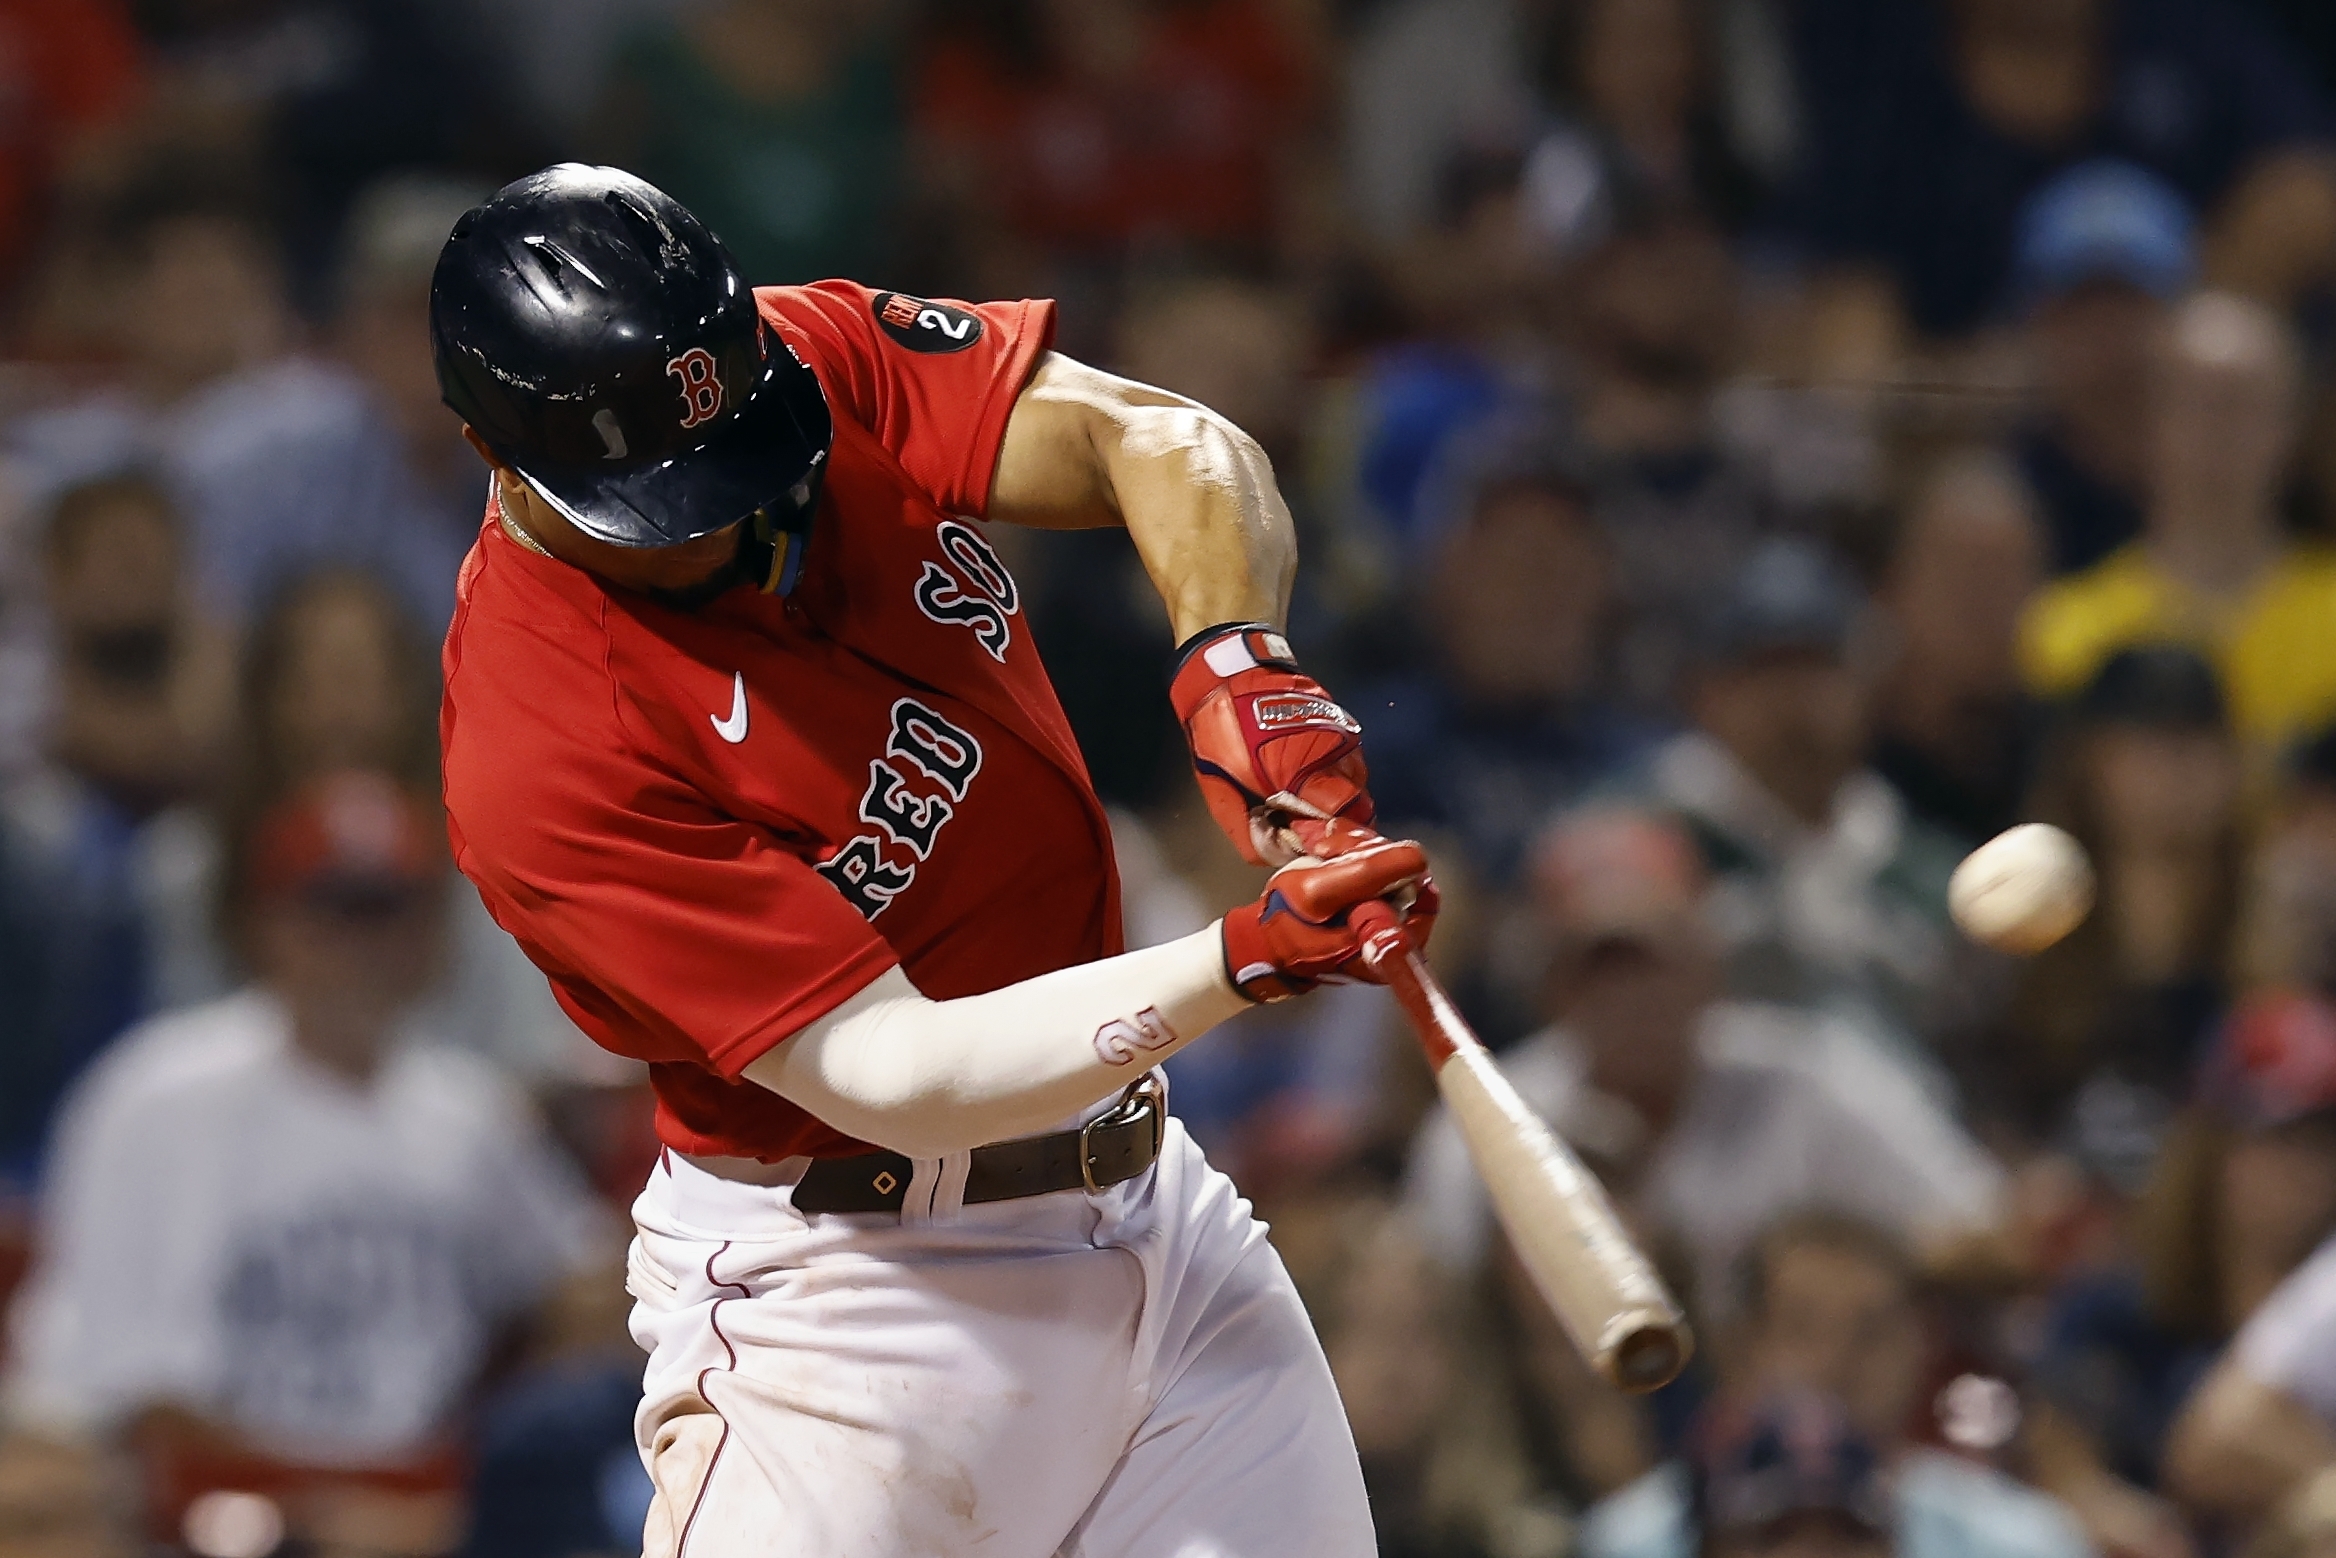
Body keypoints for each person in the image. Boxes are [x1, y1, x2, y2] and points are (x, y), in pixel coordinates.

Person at [432, 165, 1435, 1553]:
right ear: (502, 458)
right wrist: (1239, 958)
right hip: (855, 1302)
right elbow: (895, 1077)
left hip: (1152, 1212)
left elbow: (1158, 440)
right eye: (668, 502)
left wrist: (1235, 655)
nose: (721, 516)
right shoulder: (539, 740)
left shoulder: (805, 350)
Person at [0, 771, 609, 1545]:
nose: (363, 943)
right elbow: (124, 1393)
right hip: (207, 1505)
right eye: (334, 907)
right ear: (265, 923)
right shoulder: (158, 1092)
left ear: (434, 934)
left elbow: (590, 1294)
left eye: (390, 908)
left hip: (420, 1506)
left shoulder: (468, 1114)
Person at [1404, 807, 2003, 1313]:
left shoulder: (1810, 1075)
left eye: (1652, 964)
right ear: (1552, 992)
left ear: (1707, 969)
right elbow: (1435, 1303)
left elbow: (1980, 1229)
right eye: (1598, 970)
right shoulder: (1483, 1122)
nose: (1629, 999)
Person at [1639, 536, 1966, 1046]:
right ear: (1709, 692)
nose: (1794, 702)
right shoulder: (1647, 833)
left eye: (1817, 670)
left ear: (1864, 688)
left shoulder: (1922, 866)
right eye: (1766, 671)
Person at [2022, 293, 2336, 756]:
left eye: (2241, 404)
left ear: (2291, 428)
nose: (2217, 430)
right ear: (2149, 421)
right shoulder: (2066, 633)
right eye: (2195, 402)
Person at [2008, 162, 2197, 577]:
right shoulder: (2003, 506)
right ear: (2035, 326)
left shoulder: (2245, 480)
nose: (2109, 344)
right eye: (2081, 313)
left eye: (2129, 309)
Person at [1868, 451, 2047, 850]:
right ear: (1894, 587)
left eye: (2004, 574)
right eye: (1960, 573)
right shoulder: (1845, 757)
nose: (1982, 603)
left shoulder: (2063, 760)